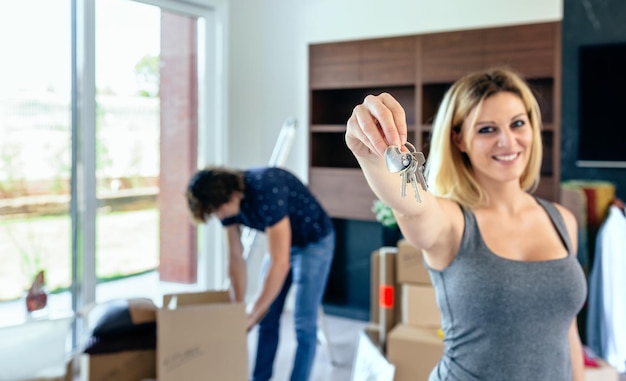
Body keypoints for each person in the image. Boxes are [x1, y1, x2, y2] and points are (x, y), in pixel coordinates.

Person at [345, 67, 587, 380]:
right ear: (459, 139)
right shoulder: (452, 222)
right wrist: (372, 155)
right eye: (487, 129)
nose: (507, 141)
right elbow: (413, 207)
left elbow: (567, 330)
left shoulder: (563, 220)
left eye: (517, 123)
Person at [185, 165, 335, 381]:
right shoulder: (225, 206)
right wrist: (238, 309)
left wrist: (253, 313)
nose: (219, 215)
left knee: (304, 324)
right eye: (214, 212)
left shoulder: (267, 188)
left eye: (219, 209)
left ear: (232, 194)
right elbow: (236, 259)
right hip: (283, 246)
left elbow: (280, 263)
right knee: (267, 319)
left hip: (314, 243)